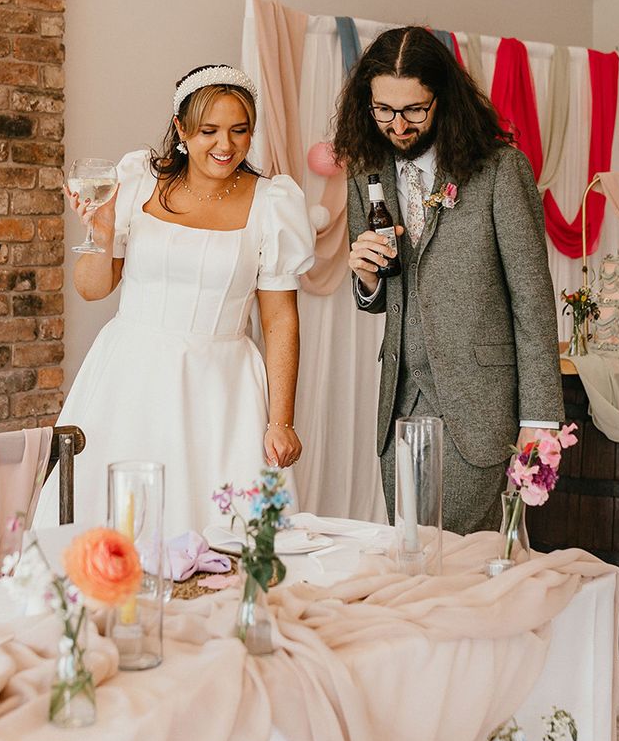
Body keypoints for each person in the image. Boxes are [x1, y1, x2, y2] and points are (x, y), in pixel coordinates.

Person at [33, 65, 315, 537]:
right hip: (129, 379)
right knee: (110, 525)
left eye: (238, 130)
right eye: (209, 131)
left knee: (222, 528)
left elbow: (281, 320)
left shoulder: (273, 204)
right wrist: (101, 232)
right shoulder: (138, 181)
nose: (225, 146)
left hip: (223, 392)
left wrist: (281, 421)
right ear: (182, 129)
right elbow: (92, 288)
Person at [334, 27, 563, 535]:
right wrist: (367, 278)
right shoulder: (365, 173)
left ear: (445, 99)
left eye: (415, 109)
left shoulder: (500, 171)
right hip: (399, 405)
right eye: (383, 110)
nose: (398, 125)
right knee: (409, 552)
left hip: (477, 407)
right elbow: (382, 296)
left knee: (461, 560)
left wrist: (540, 418)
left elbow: (533, 300)